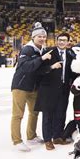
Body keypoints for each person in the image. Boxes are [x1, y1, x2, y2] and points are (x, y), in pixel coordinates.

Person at [10, 22, 52, 151]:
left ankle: (31, 136)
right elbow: (26, 67)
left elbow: (39, 70)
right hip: (21, 86)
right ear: (33, 37)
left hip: (33, 87)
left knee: (34, 112)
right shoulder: (27, 49)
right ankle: (17, 141)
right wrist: (42, 59)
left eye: (44, 37)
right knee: (18, 114)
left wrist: (50, 67)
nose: (42, 39)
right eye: (39, 36)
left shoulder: (41, 50)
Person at [34, 33, 74, 150]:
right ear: (56, 41)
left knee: (61, 113)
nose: (62, 42)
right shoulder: (49, 52)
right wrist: (51, 67)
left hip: (64, 89)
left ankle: (57, 136)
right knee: (48, 115)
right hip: (48, 89)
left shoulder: (70, 54)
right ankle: (47, 139)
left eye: (64, 40)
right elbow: (39, 70)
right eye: (60, 40)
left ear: (68, 42)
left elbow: (72, 71)